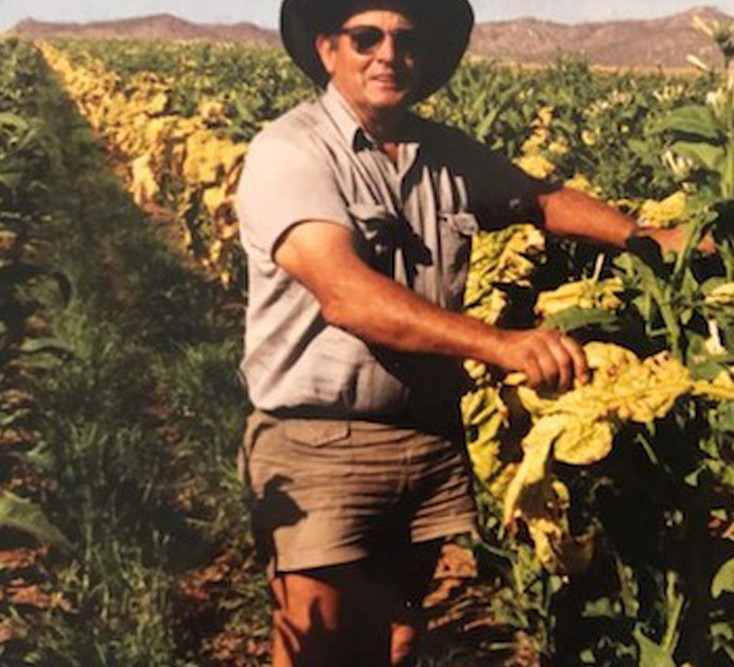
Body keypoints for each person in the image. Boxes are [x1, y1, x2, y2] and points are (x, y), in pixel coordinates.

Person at [235, 1, 690, 665]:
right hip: (322, 438)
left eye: (405, 38)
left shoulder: (442, 154)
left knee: (398, 638)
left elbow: (542, 198)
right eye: (367, 36)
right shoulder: (290, 151)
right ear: (329, 48)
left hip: (425, 434)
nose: (387, 53)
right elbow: (345, 293)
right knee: (318, 645)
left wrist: (654, 239)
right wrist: (504, 344)